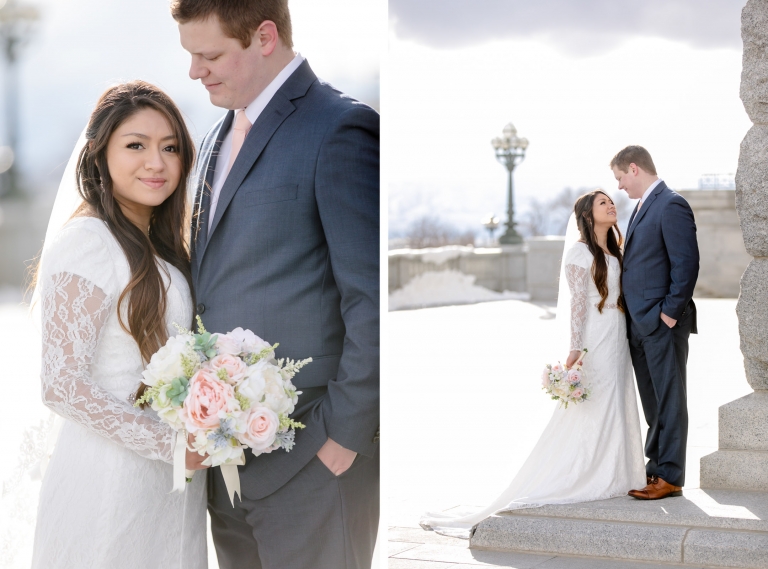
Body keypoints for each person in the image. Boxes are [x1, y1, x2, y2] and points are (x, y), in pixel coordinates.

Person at [172, 1, 380, 567]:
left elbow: (371, 295)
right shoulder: (217, 134)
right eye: (190, 55)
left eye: (210, 54)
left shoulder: (340, 127)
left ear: (265, 36)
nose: (195, 71)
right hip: (228, 470)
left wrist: (342, 439)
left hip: (313, 463)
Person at [30, 80, 209, 568]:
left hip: (171, 485)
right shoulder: (88, 240)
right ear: (99, 153)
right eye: (136, 145)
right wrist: (169, 444)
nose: (157, 162)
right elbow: (61, 384)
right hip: (108, 479)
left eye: (170, 147)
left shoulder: (164, 247)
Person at [420, 190, 645, 538]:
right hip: (595, 338)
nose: (611, 205)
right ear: (587, 214)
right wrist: (575, 348)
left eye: (610, 201)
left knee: (616, 399)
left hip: (618, 335)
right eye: (602, 203)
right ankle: (582, 472)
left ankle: (616, 471)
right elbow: (577, 305)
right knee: (593, 402)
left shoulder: (614, 249)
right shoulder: (579, 252)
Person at [611, 145, 699, 500]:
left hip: (662, 325)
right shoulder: (640, 207)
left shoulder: (671, 203)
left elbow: (686, 264)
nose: (619, 186)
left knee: (671, 399)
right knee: (654, 403)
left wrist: (668, 314)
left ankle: (671, 475)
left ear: (634, 168)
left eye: (619, 177)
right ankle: (656, 471)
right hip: (639, 327)